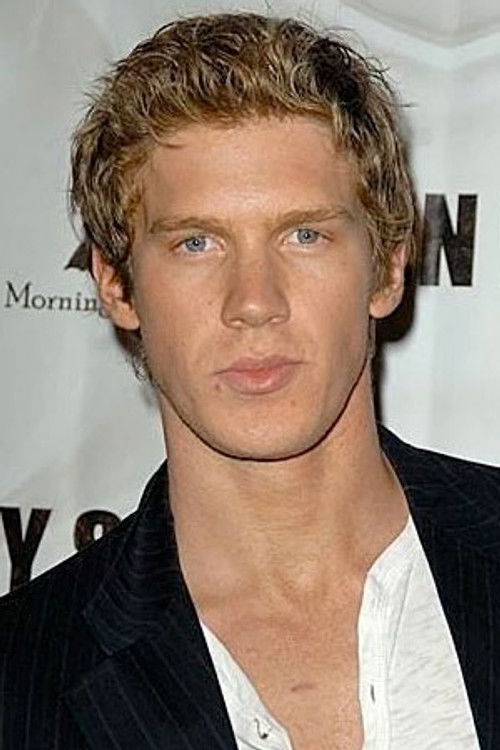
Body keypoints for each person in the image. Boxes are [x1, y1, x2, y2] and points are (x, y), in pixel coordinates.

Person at [1, 12, 498, 750]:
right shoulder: (19, 680)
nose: (255, 302)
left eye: (305, 234)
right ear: (116, 284)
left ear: (389, 265)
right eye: (196, 243)